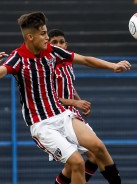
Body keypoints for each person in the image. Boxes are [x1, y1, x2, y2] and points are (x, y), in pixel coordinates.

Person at [0, 12, 131, 184]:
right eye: (43, 34)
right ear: (30, 37)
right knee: (76, 163)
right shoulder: (18, 58)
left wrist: (113, 66)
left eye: (46, 32)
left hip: (62, 115)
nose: (47, 37)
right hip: (42, 124)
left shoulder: (52, 51)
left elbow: (84, 60)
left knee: (98, 147)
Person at [48, 29, 98, 182]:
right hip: (58, 116)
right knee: (77, 162)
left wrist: (80, 101)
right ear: (49, 45)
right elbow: (50, 97)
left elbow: (69, 86)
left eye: (61, 42)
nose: (59, 45)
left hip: (73, 113)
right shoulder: (47, 66)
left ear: (66, 44)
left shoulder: (68, 61)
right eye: (54, 42)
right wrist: (76, 102)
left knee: (94, 156)